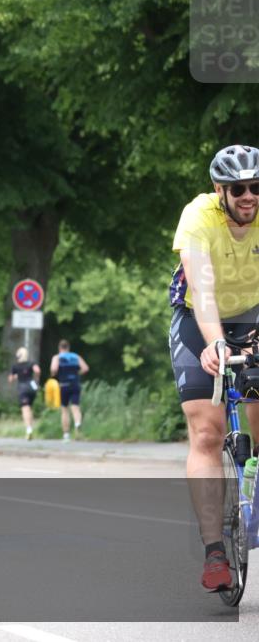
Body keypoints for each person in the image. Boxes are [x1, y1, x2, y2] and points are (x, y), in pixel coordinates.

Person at [168, 144, 259, 592]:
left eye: (257, 187)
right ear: (219, 190)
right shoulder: (199, 217)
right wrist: (215, 341)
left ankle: (252, 505)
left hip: (255, 315)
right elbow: (201, 287)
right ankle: (215, 553)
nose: (249, 196)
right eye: (239, 188)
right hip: (198, 318)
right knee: (207, 431)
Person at [50, 340, 89, 441]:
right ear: (68, 347)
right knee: (75, 407)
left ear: (59, 348)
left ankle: (66, 435)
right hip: (75, 384)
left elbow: (54, 369)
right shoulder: (76, 356)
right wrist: (77, 374)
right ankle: (77, 424)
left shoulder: (57, 357)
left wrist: (54, 374)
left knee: (64, 409)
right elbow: (85, 368)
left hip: (64, 385)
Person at [8, 347, 41, 441]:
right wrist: (37, 379)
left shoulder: (15, 366)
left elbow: (10, 379)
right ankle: (30, 428)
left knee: (25, 409)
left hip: (23, 388)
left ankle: (29, 430)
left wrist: (15, 376)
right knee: (29, 408)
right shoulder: (31, 363)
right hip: (32, 387)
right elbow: (37, 370)